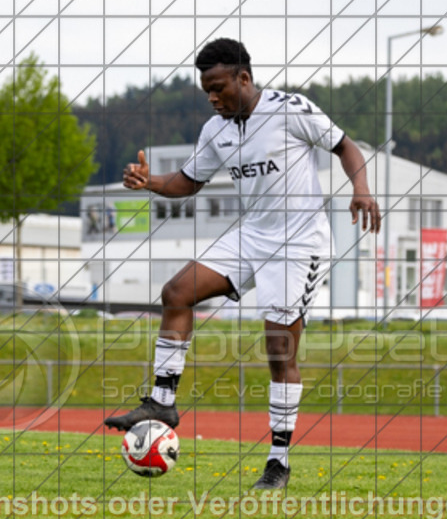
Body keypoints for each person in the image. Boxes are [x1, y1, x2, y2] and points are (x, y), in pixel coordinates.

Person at [104, 38, 381, 490]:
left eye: (218, 87)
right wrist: (148, 181)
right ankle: (162, 402)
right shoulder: (216, 129)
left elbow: (345, 147)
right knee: (177, 292)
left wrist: (362, 189)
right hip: (252, 235)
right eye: (206, 91)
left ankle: (279, 461)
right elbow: (188, 182)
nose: (212, 98)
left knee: (278, 348)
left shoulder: (289, 110)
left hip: (299, 241)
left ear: (244, 79)